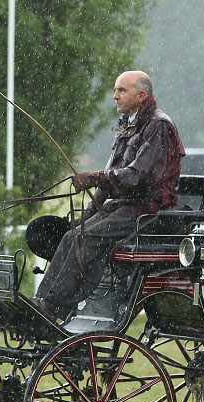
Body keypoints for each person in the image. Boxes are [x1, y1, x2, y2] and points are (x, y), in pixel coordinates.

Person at [32, 70, 184, 321]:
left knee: (85, 239)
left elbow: (138, 176)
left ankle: (54, 307)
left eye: (121, 91)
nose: (115, 96)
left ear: (141, 95)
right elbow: (112, 175)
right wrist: (89, 212)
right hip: (123, 207)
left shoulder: (159, 125)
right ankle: (42, 302)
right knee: (72, 234)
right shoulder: (129, 125)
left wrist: (95, 177)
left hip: (147, 211)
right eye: (116, 90)